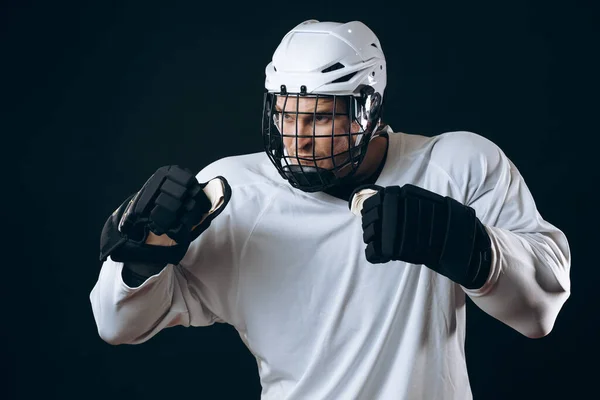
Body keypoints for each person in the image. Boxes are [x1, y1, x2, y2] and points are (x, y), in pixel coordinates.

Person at [90, 20, 571, 400]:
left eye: (319, 116)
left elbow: (540, 311)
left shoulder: (456, 165)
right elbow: (117, 326)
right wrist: (143, 257)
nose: (297, 139)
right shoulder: (236, 193)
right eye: (285, 114)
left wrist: (463, 244)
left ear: (368, 108)